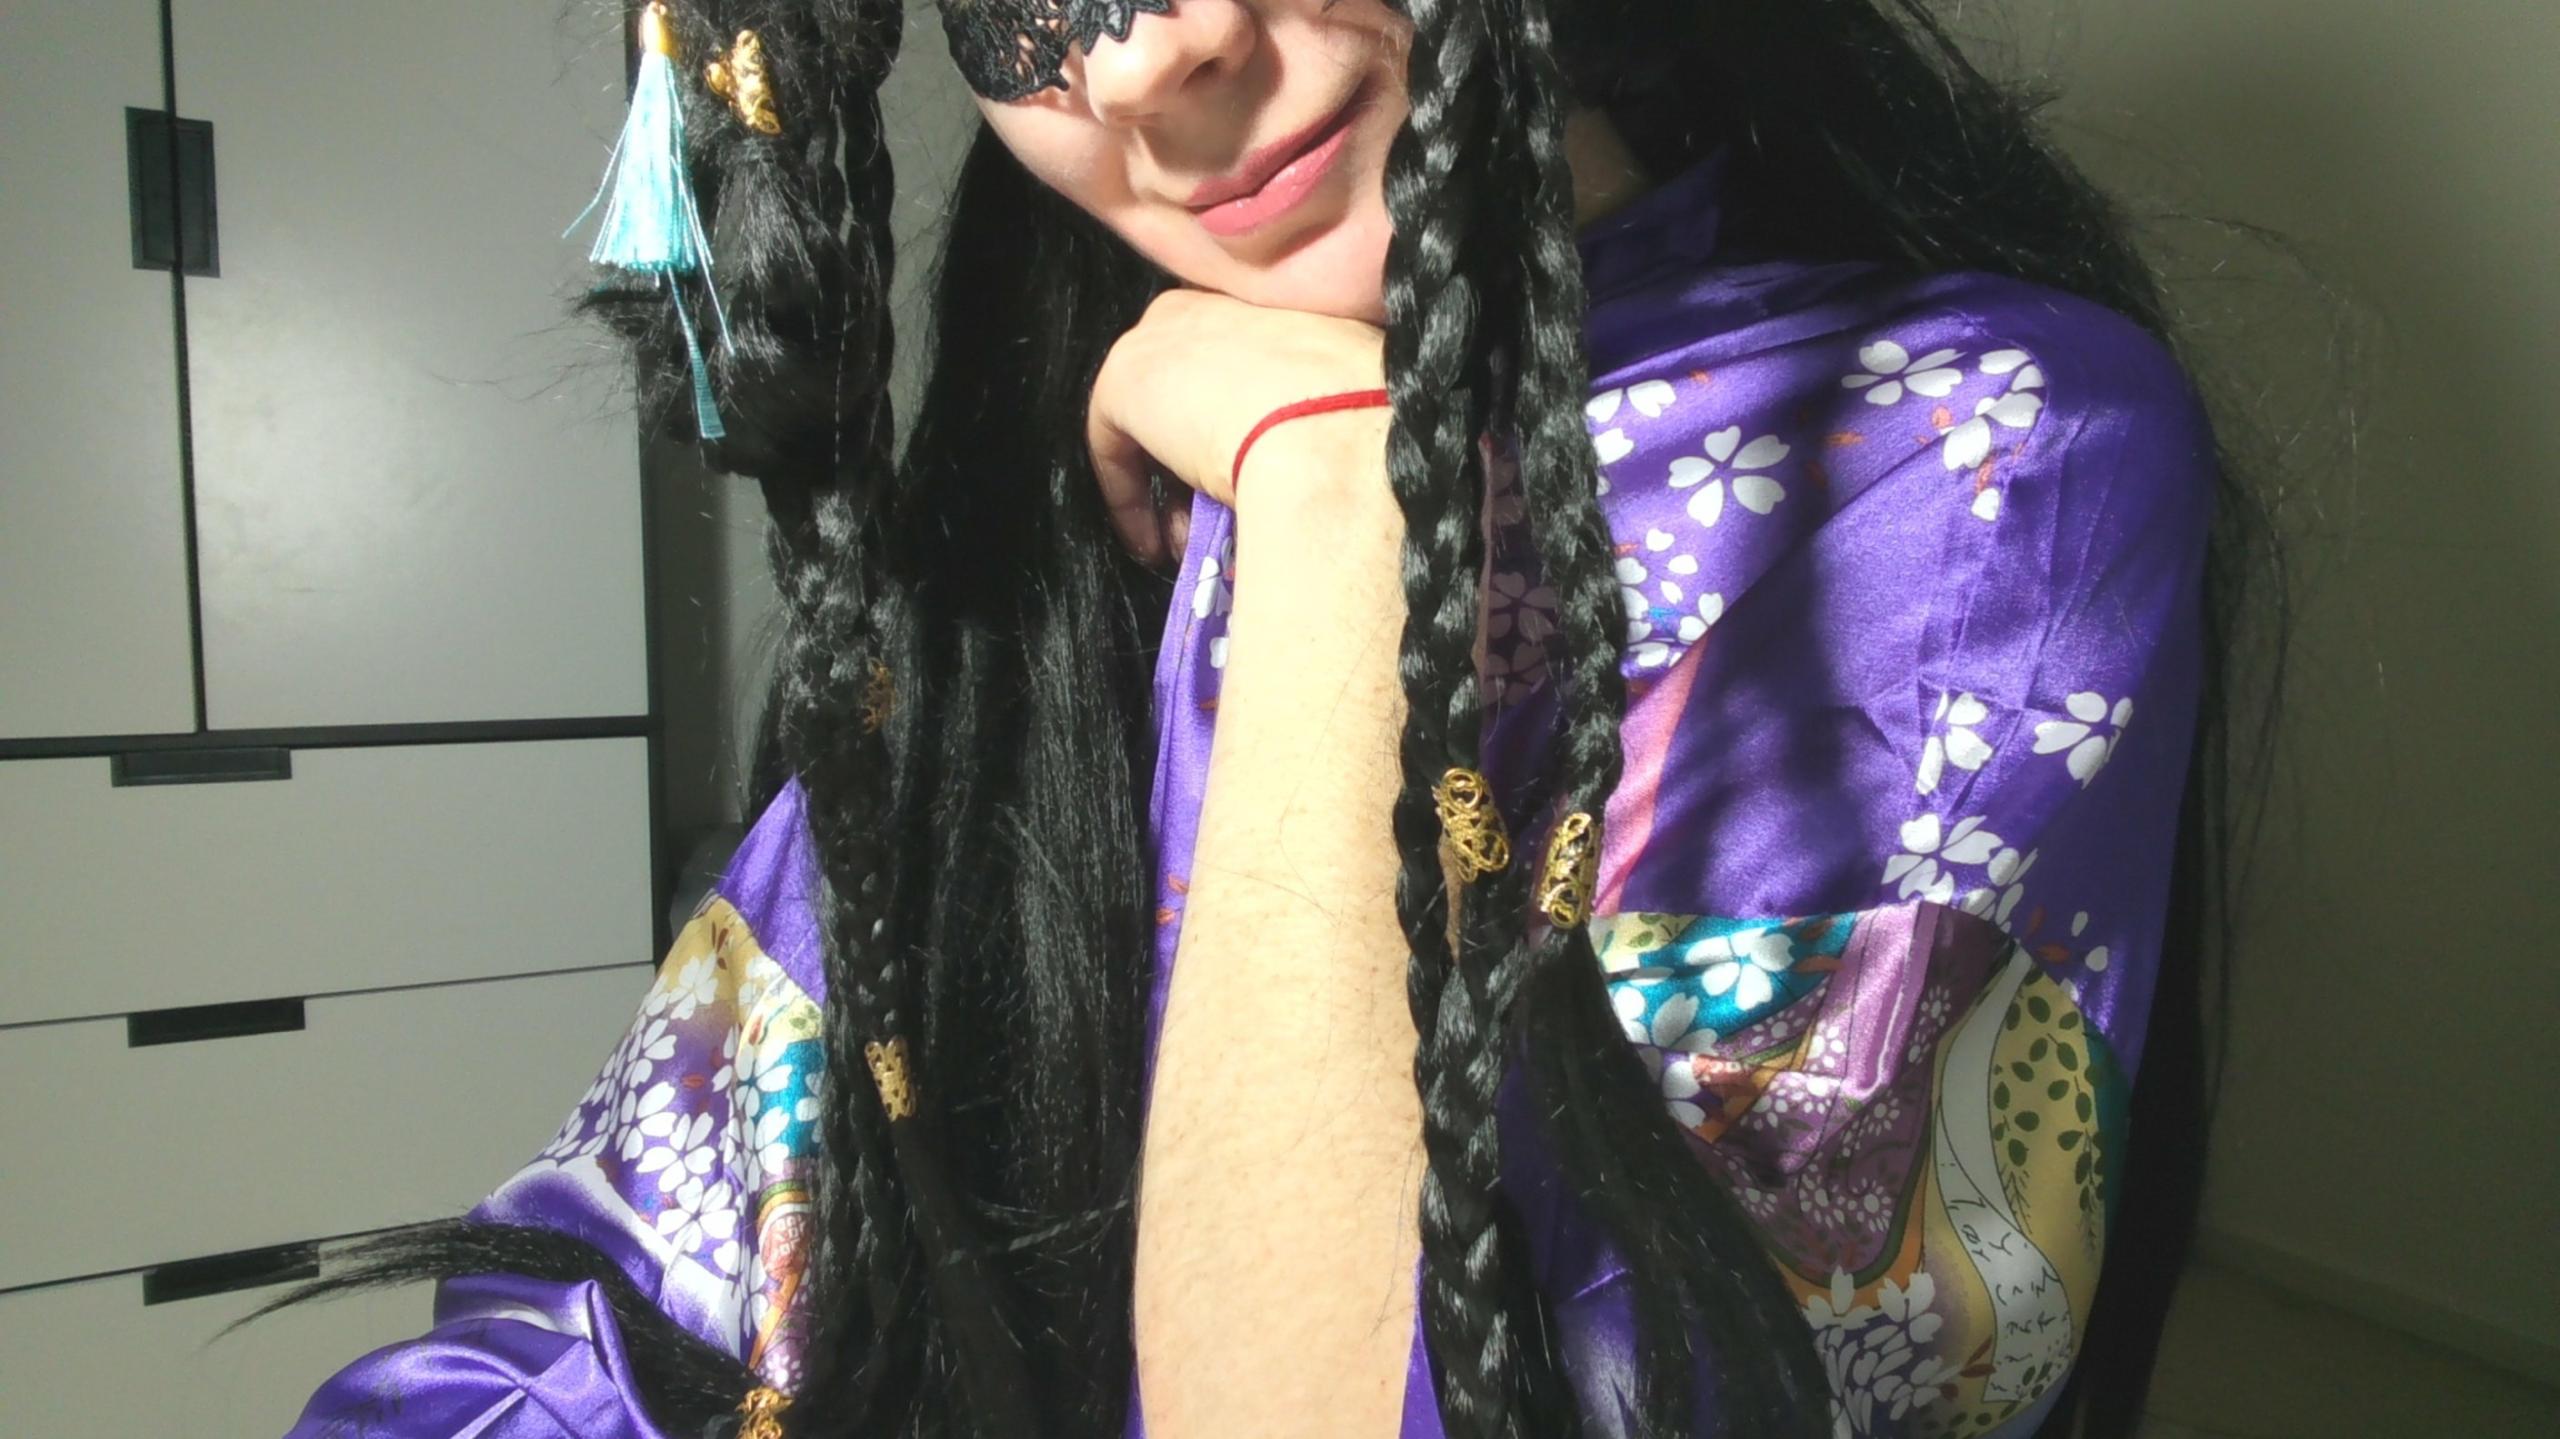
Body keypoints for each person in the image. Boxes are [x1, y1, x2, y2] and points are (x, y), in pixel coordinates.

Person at [258, 1, 2273, 1435]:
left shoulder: (1971, 452)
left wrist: (1334, 519)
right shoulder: (1049, 540)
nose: (1151, 55)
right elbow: (600, 1321)